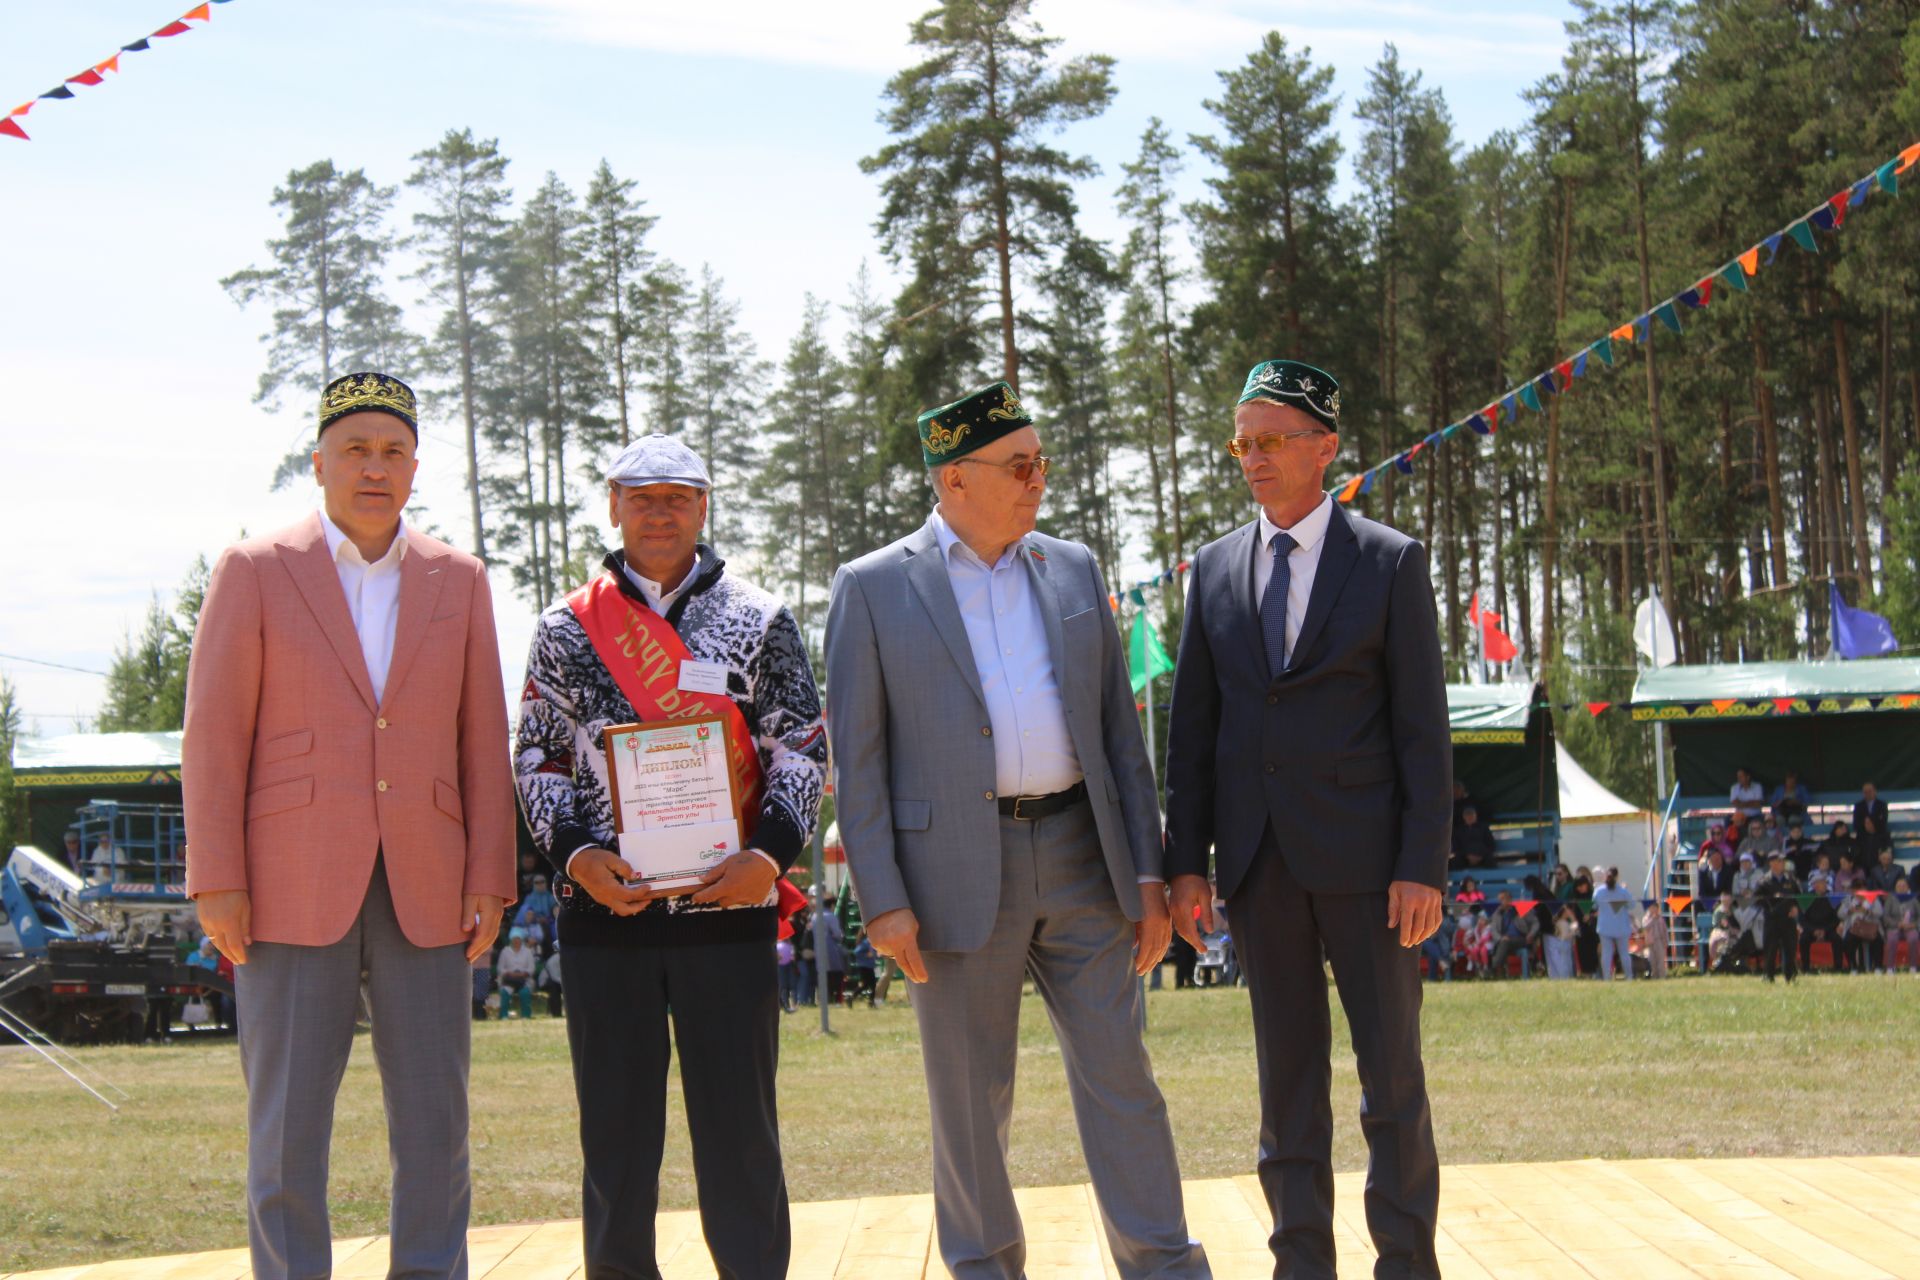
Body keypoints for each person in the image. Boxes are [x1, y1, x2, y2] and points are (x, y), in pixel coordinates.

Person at [825, 381, 1208, 1280]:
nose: (1040, 479)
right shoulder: (873, 587)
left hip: (1086, 858)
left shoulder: (1072, 567)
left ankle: (1163, 1264)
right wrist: (881, 900)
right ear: (955, 478)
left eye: (1040, 461)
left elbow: (1119, 733)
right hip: (949, 873)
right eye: (1019, 465)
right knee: (968, 1100)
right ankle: (984, 1268)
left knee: (1125, 1082)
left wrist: (1147, 877)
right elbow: (860, 760)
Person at [182, 371, 516, 1280]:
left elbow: (484, 737)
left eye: (394, 452)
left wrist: (492, 872)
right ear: (319, 462)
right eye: (357, 450)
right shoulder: (254, 569)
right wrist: (216, 877)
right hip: (286, 882)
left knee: (436, 1120)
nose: (376, 468)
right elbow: (213, 736)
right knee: (286, 1123)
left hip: (430, 884)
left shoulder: (462, 579)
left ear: (414, 469)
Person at [514, 433, 826, 1280]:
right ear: (613, 504)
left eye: (677, 497)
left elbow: (799, 745)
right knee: (614, 1142)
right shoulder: (563, 630)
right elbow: (536, 757)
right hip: (604, 915)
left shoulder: (760, 619)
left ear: (704, 506)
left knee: (741, 1138)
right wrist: (575, 857)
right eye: (642, 496)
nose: (659, 512)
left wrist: (769, 855)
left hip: (729, 911)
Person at [1164, 359, 1449, 1280]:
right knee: (1286, 1087)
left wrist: (1424, 865)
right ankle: (1301, 1264)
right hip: (1257, 867)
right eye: (1242, 442)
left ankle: (1406, 1262)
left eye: (1272, 440)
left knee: (1390, 1083)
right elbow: (1194, 732)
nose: (1252, 457)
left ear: (1325, 447)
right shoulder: (1211, 569)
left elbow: (1422, 732)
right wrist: (1186, 864)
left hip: (1373, 870)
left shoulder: (1390, 561)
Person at [1755, 850, 1799, 984]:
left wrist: (1795, 907)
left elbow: (1798, 896)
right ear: (1772, 863)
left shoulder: (1791, 880)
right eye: (1779, 861)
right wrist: (1771, 904)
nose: (1782, 863)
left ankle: (1790, 976)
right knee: (1770, 949)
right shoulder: (1764, 881)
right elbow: (1757, 899)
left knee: (1790, 948)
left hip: (1788, 919)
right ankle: (1768, 976)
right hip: (1772, 920)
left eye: (1783, 861)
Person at [1592, 867, 1636, 980]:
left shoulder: (1599, 891)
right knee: (1624, 953)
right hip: (1621, 927)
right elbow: (1632, 905)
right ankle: (1629, 977)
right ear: (1617, 877)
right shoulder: (1623, 891)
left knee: (1606, 954)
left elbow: (1593, 906)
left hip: (1604, 926)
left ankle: (1606, 977)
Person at [1837, 876, 1884, 974]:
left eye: (1862, 888)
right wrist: (1849, 911)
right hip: (1854, 929)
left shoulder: (1873, 898)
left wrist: (1867, 911)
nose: (1860, 891)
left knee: (1878, 941)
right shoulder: (1848, 900)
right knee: (1847, 942)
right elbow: (1840, 914)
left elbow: (1880, 912)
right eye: (1857, 889)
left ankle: (1878, 967)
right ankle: (1853, 967)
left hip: (1871, 928)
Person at [1488, 890, 1536, 979]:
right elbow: (1493, 930)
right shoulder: (1497, 914)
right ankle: (1498, 973)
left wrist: (1531, 934)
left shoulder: (1519, 909)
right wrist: (1500, 938)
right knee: (1504, 943)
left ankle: (1493, 968)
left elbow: (1535, 922)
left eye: (1502, 899)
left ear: (1509, 900)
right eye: (1499, 900)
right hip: (1505, 941)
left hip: (1521, 939)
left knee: (1505, 943)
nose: (1500, 902)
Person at [495, 928, 538, 1020]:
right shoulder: (505, 951)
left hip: (524, 980)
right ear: (511, 939)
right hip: (508, 980)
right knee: (505, 992)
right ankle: (503, 1016)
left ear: (521, 940)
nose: (516, 941)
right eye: (514, 939)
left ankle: (526, 1016)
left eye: (518, 939)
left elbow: (531, 968)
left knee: (525, 993)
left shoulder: (527, 951)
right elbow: (500, 968)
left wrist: (523, 974)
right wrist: (509, 973)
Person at [1883, 880, 1919, 974]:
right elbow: (1886, 916)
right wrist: (1897, 924)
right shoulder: (1890, 898)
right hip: (1895, 926)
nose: (1901, 888)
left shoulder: (1913, 899)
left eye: (1904, 886)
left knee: (1913, 938)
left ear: (1908, 888)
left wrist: (1913, 925)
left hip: (1910, 926)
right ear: (1895, 888)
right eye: (1899, 886)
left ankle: (1913, 967)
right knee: (1892, 940)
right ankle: (1890, 967)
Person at [1449, 804, 1497, 871]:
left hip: (1482, 857)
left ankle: (1495, 881)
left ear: (1476, 815)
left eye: (1472, 814)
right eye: (1467, 815)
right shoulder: (1459, 831)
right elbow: (1456, 848)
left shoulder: (1484, 828)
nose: (1470, 817)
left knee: (1491, 862)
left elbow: (1491, 845)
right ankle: (1460, 881)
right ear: (1464, 817)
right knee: (1454, 862)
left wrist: (1480, 856)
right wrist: (1468, 856)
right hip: (1465, 858)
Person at [1853, 783, 1891, 855]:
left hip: (1879, 836)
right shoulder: (1858, 806)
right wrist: (1866, 826)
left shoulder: (1882, 805)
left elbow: (1883, 821)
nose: (1868, 794)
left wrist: (1872, 826)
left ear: (1875, 791)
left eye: (1870, 791)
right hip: (1863, 837)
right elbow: (1856, 824)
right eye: (1865, 792)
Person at [1545, 905, 1579, 979]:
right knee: (1564, 964)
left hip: (1565, 945)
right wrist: (1574, 929)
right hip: (1563, 945)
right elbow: (1565, 936)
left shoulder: (1563, 922)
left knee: (1566, 963)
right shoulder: (1562, 923)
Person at [539, 943, 565, 1018]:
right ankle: (556, 1013)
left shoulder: (567, 959)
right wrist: (567, 985)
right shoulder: (553, 960)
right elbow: (554, 977)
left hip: (560, 982)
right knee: (553, 988)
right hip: (546, 982)